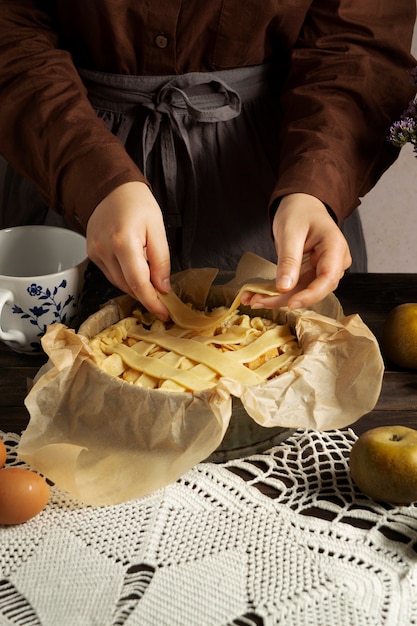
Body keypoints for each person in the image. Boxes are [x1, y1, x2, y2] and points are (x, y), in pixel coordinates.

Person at [0, 1, 415, 321]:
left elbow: (360, 42)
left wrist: (316, 185)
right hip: (54, 154)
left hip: (279, 185)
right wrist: (87, 173)